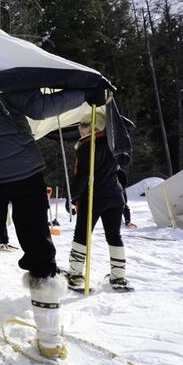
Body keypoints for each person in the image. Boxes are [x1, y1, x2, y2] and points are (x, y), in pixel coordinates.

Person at [0, 87, 105, 361]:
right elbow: (40, 107)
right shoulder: (6, 75)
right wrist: (85, 93)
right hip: (26, 174)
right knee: (39, 249)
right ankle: (50, 342)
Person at [66, 110, 131, 291]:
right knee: (114, 236)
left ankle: (75, 275)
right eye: (80, 125)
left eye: (85, 125)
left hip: (94, 197)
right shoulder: (113, 142)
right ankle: (118, 277)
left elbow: (82, 176)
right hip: (115, 196)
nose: (80, 129)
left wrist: (73, 196)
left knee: (82, 235)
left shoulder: (88, 145)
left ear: (96, 126)